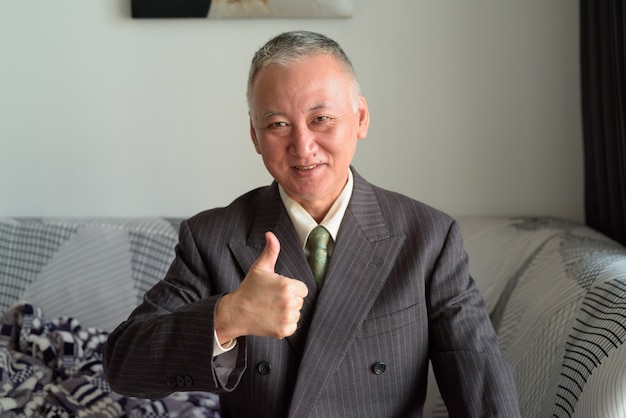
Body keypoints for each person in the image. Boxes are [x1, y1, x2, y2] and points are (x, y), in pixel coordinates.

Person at [103, 30, 520, 417]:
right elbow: (123, 366)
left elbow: (479, 382)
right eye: (277, 124)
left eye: (321, 119)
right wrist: (227, 316)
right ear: (255, 136)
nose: (302, 146)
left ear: (360, 118)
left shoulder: (428, 237)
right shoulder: (212, 238)